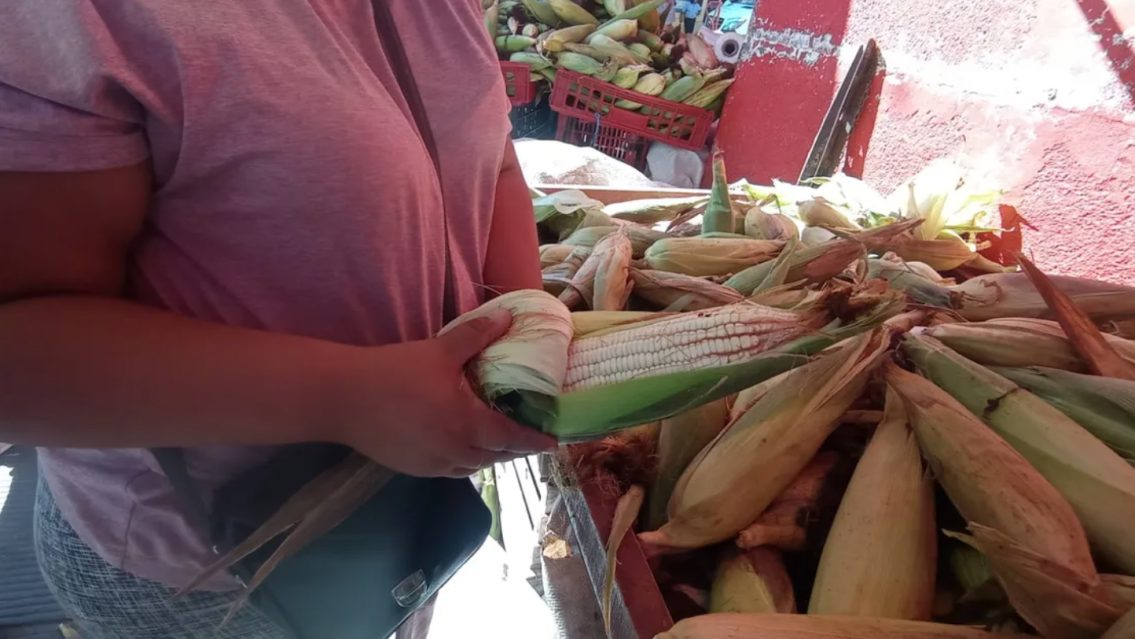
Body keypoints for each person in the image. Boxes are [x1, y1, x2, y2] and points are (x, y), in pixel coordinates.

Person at [0, 1, 557, 637]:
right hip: (210, 576)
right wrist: (345, 395)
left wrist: (524, 326)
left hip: (394, 525)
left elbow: (491, 152)